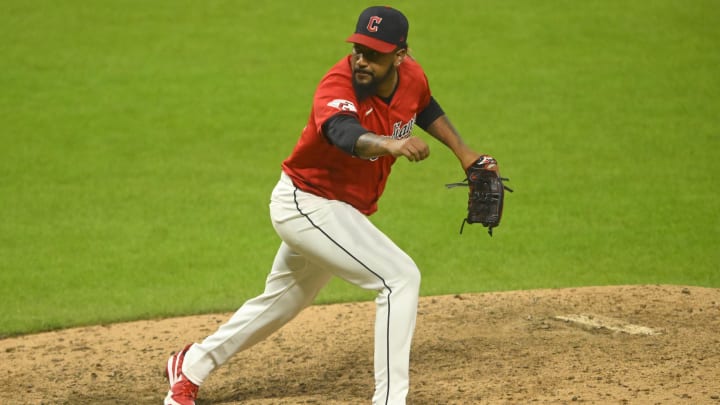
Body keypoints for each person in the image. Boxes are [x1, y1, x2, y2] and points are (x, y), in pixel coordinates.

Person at [164, 6, 493, 405]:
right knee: (399, 279)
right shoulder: (338, 84)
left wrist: (464, 153)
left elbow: (423, 104)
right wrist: (389, 143)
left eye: (374, 53)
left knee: (281, 302)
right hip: (305, 203)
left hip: (339, 212)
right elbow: (342, 132)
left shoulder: (412, 77)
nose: (362, 60)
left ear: (400, 56)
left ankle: (191, 364)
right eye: (359, 49)